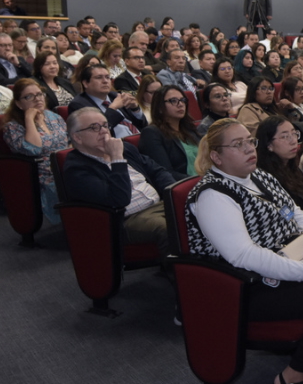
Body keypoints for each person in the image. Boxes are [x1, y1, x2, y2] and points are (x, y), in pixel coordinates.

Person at [186, 119, 303, 384]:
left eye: (249, 141)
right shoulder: (213, 195)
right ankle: (292, 379)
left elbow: (297, 215)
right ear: (216, 156)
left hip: (288, 264)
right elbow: (244, 256)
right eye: (237, 145)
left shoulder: (259, 175)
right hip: (244, 288)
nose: (249, 149)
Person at [63, 107, 173, 257]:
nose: (103, 131)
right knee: (169, 227)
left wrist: (172, 196)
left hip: (159, 204)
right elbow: (119, 199)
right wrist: (117, 159)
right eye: (94, 127)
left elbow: (157, 171)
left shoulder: (125, 148)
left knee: (194, 210)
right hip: (125, 220)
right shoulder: (77, 169)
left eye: (105, 125)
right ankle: (179, 271)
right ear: (77, 137)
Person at [2, 78, 69, 222]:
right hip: (44, 172)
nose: (37, 99)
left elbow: (70, 141)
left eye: (39, 94)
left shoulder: (54, 117)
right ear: (18, 103)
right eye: (29, 96)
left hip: (66, 164)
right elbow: (34, 149)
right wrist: (29, 119)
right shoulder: (12, 127)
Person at [139, 85, 201, 180]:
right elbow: (165, 173)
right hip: (185, 184)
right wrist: (200, 181)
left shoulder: (189, 128)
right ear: (160, 107)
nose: (180, 104)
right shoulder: (151, 133)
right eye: (173, 101)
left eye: (182, 100)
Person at [68, 65, 148, 138]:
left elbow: (142, 125)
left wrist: (135, 109)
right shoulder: (79, 105)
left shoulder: (116, 96)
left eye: (107, 77)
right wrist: (113, 108)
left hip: (139, 139)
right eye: (99, 77)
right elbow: (96, 132)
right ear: (85, 83)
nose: (105, 81)